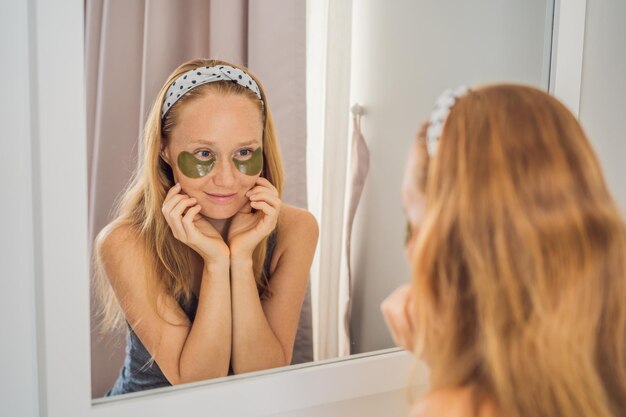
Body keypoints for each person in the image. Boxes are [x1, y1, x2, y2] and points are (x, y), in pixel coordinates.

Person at [382, 84, 626, 417]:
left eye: (412, 222)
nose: (411, 249)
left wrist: (449, 371)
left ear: (458, 242)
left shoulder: (454, 409)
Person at [94, 58, 318, 396]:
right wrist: (216, 261)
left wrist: (241, 259)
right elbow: (198, 381)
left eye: (244, 151)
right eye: (203, 154)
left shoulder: (296, 229)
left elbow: (265, 373)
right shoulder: (125, 241)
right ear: (165, 150)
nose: (227, 179)